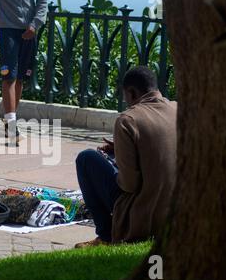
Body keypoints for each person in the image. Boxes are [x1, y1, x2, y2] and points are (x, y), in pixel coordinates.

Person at [75, 66, 177, 247]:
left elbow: (129, 185)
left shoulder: (128, 119)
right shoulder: (178, 109)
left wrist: (117, 163)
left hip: (145, 213)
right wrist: (120, 151)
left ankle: (105, 236)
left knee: (86, 159)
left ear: (131, 92)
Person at [0, 0, 47, 145]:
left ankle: (9, 121)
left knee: (20, 79)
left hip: (29, 31)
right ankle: (12, 126)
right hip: (6, 29)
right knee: (9, 77)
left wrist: (35, 24)